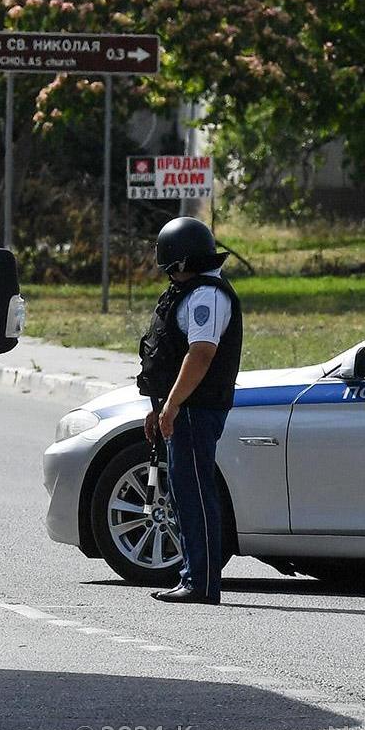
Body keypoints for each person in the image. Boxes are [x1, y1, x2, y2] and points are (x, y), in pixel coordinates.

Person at [136, 217, 242, 605]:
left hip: (197, 409)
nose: (167, 274)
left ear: (181, 262)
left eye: (169, 266)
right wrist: (161, 405)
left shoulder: (207, 296)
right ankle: (194, 576)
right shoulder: (192, 291)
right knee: (184, 492)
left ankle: (201, 582)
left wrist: (175, 404)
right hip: (183, 408)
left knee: (195, 494)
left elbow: (201, 354)